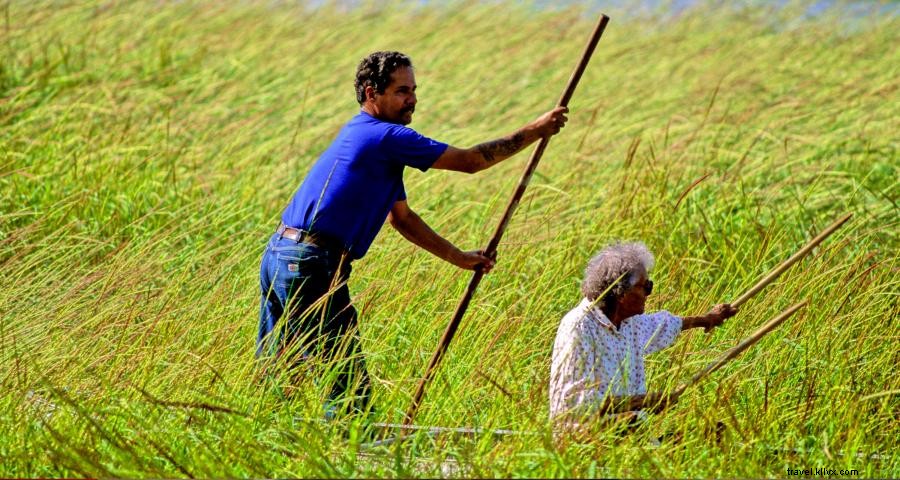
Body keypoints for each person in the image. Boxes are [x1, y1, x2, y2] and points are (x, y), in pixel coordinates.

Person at [258, 51, 568, 417]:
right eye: (403, 91)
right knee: (344, 379)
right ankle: (359, 457)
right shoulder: (387, 137)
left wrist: (459, 257)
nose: (413, 100)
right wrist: (535, 130)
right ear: (372, 93)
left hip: (281, 255)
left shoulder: (366, 137)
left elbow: (402, 219)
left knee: (281, 372)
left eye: (414, 90)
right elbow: (470, 162)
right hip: (310, 264)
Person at [549, 241, 738, 428]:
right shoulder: (579, 326)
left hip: (630, 428)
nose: (649, 293)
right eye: (645, 287)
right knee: (632, 422)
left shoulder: (628, 322)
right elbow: (578, 404)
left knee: (714, 430)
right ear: (621, 293)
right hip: (585, 436)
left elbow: (665, 324)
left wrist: (707, 319)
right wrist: (645, 402)